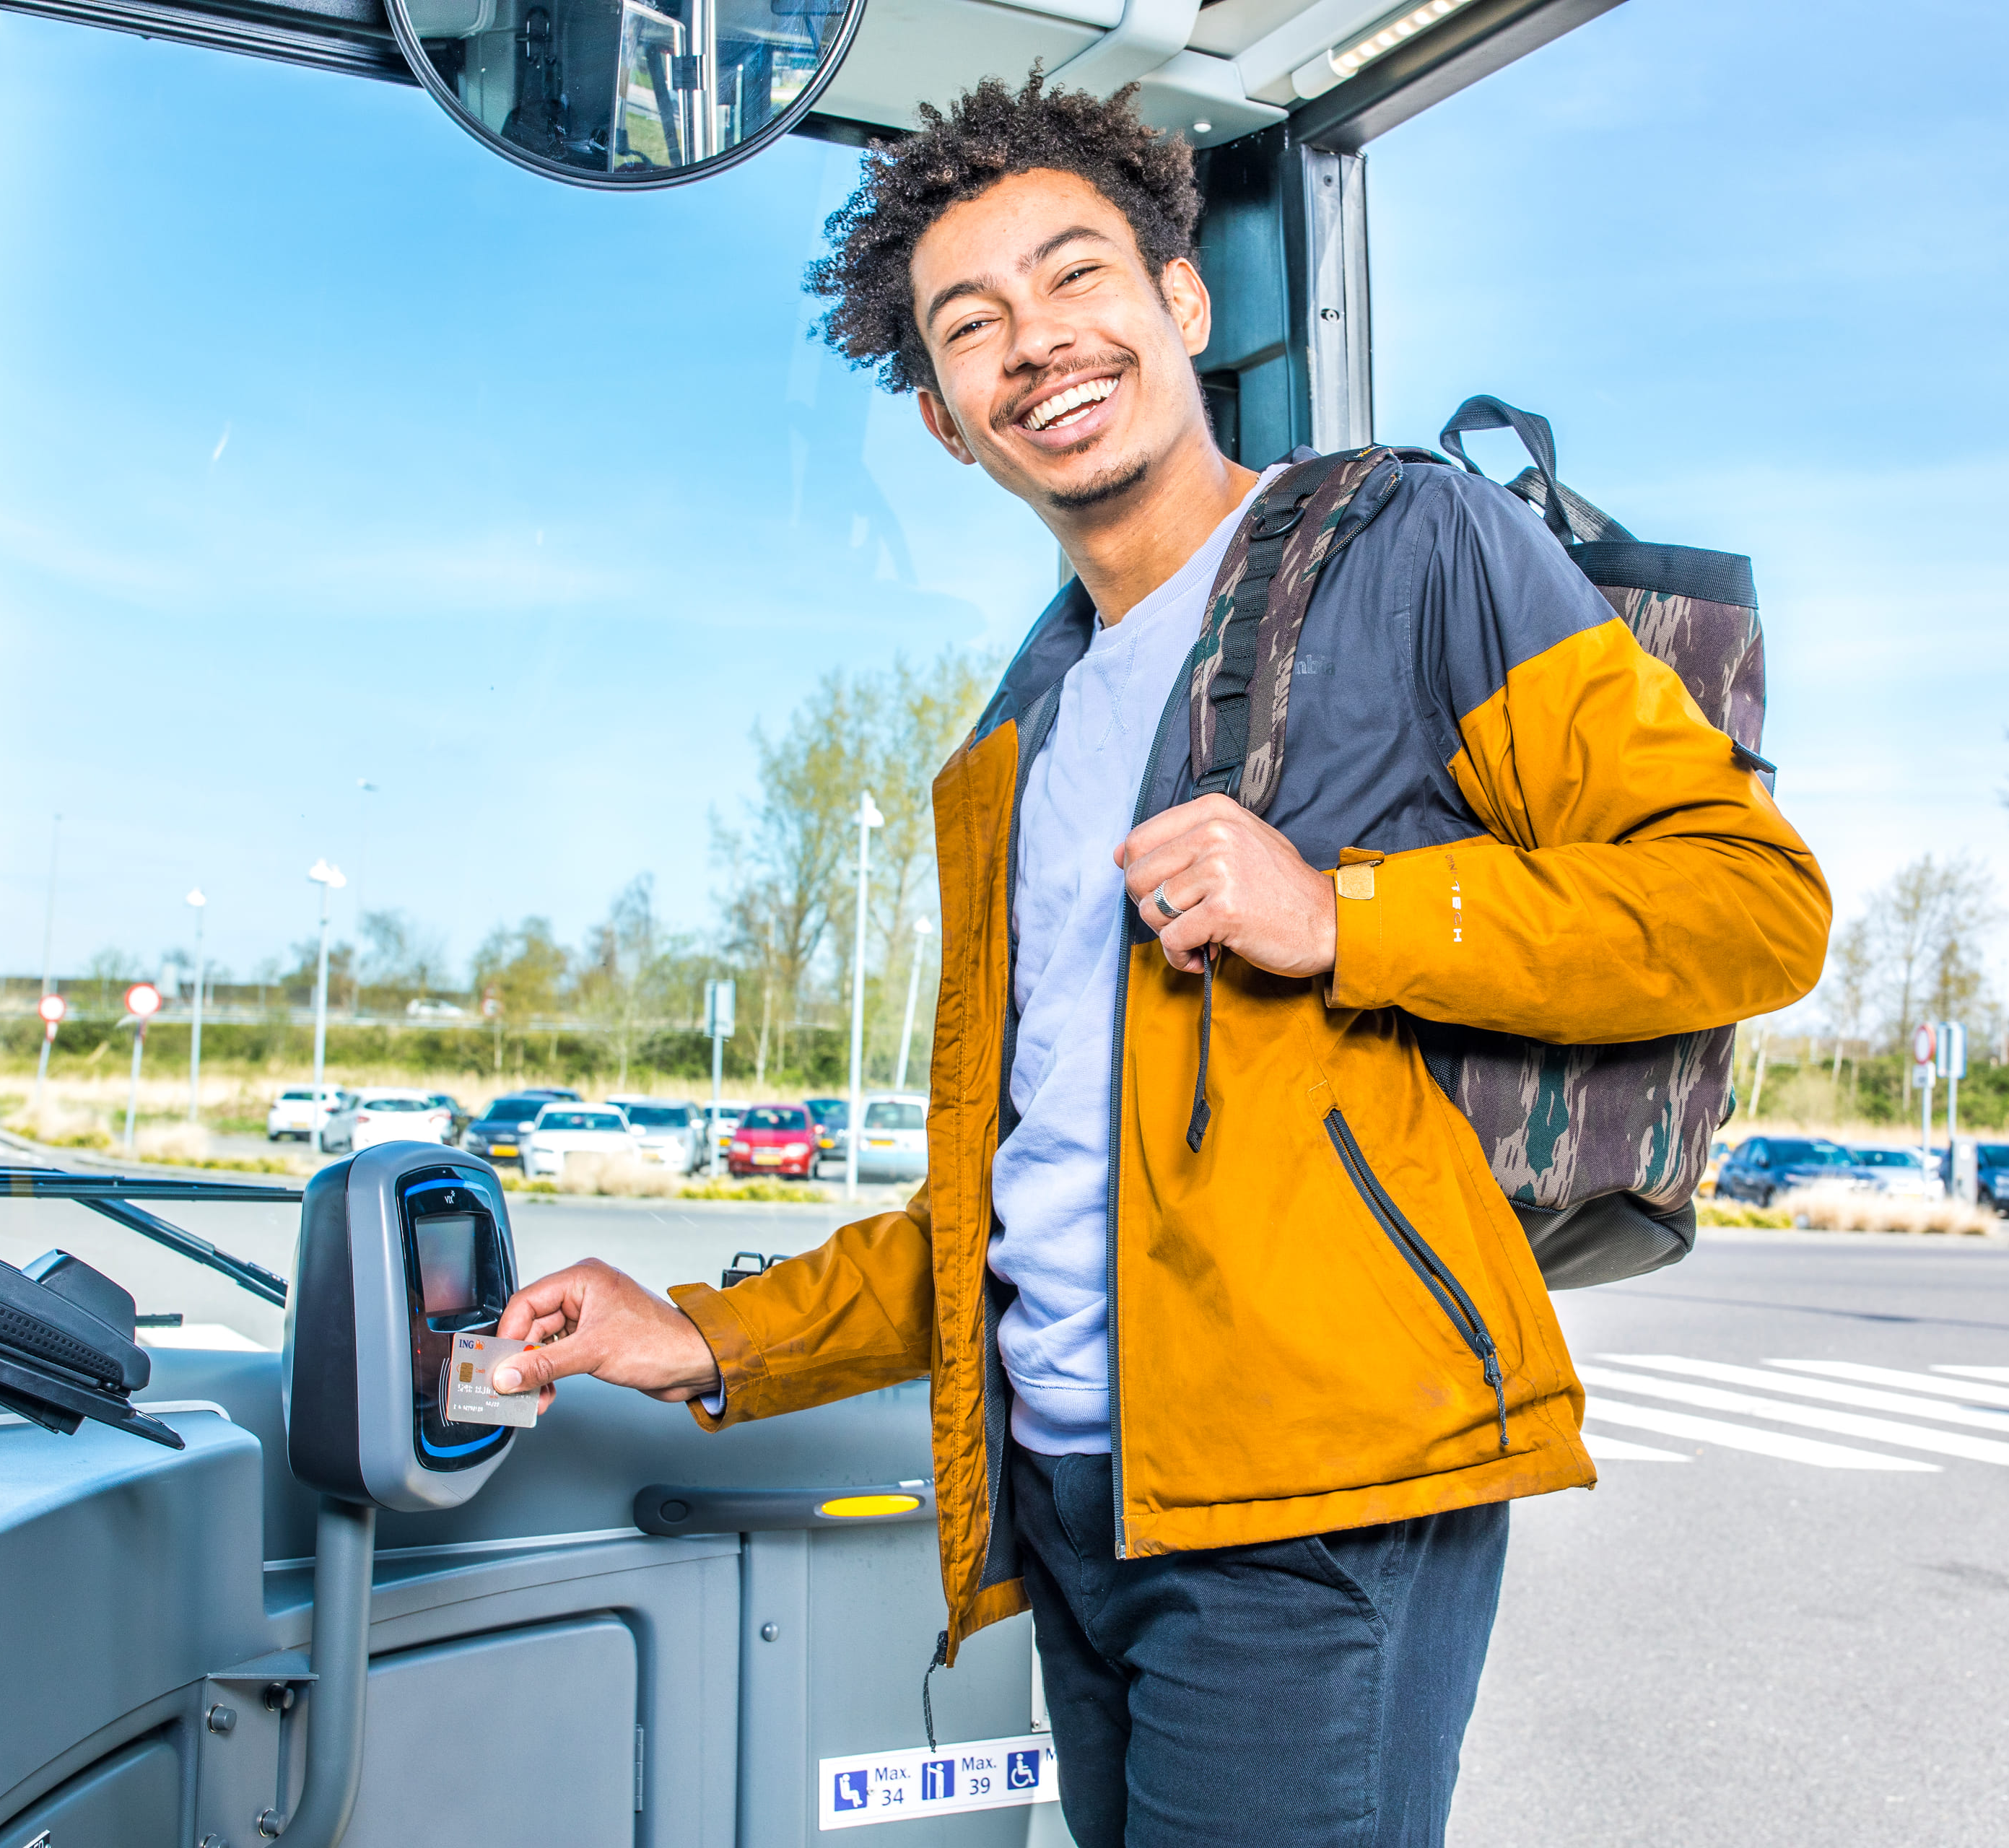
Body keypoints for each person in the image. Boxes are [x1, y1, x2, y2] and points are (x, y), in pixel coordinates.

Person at [488, 71, 1831, 1846]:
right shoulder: (1018, 734)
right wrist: (707, 1332)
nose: (1035, 342)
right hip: (1071, 1509)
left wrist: (1338, 913)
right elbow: (1015, 1198)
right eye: (973, 328)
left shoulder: (1409, 549)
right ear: (952, 422)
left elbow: (1751, 902)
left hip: (1310, 1504)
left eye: (1075, 279)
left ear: (1181, 304)